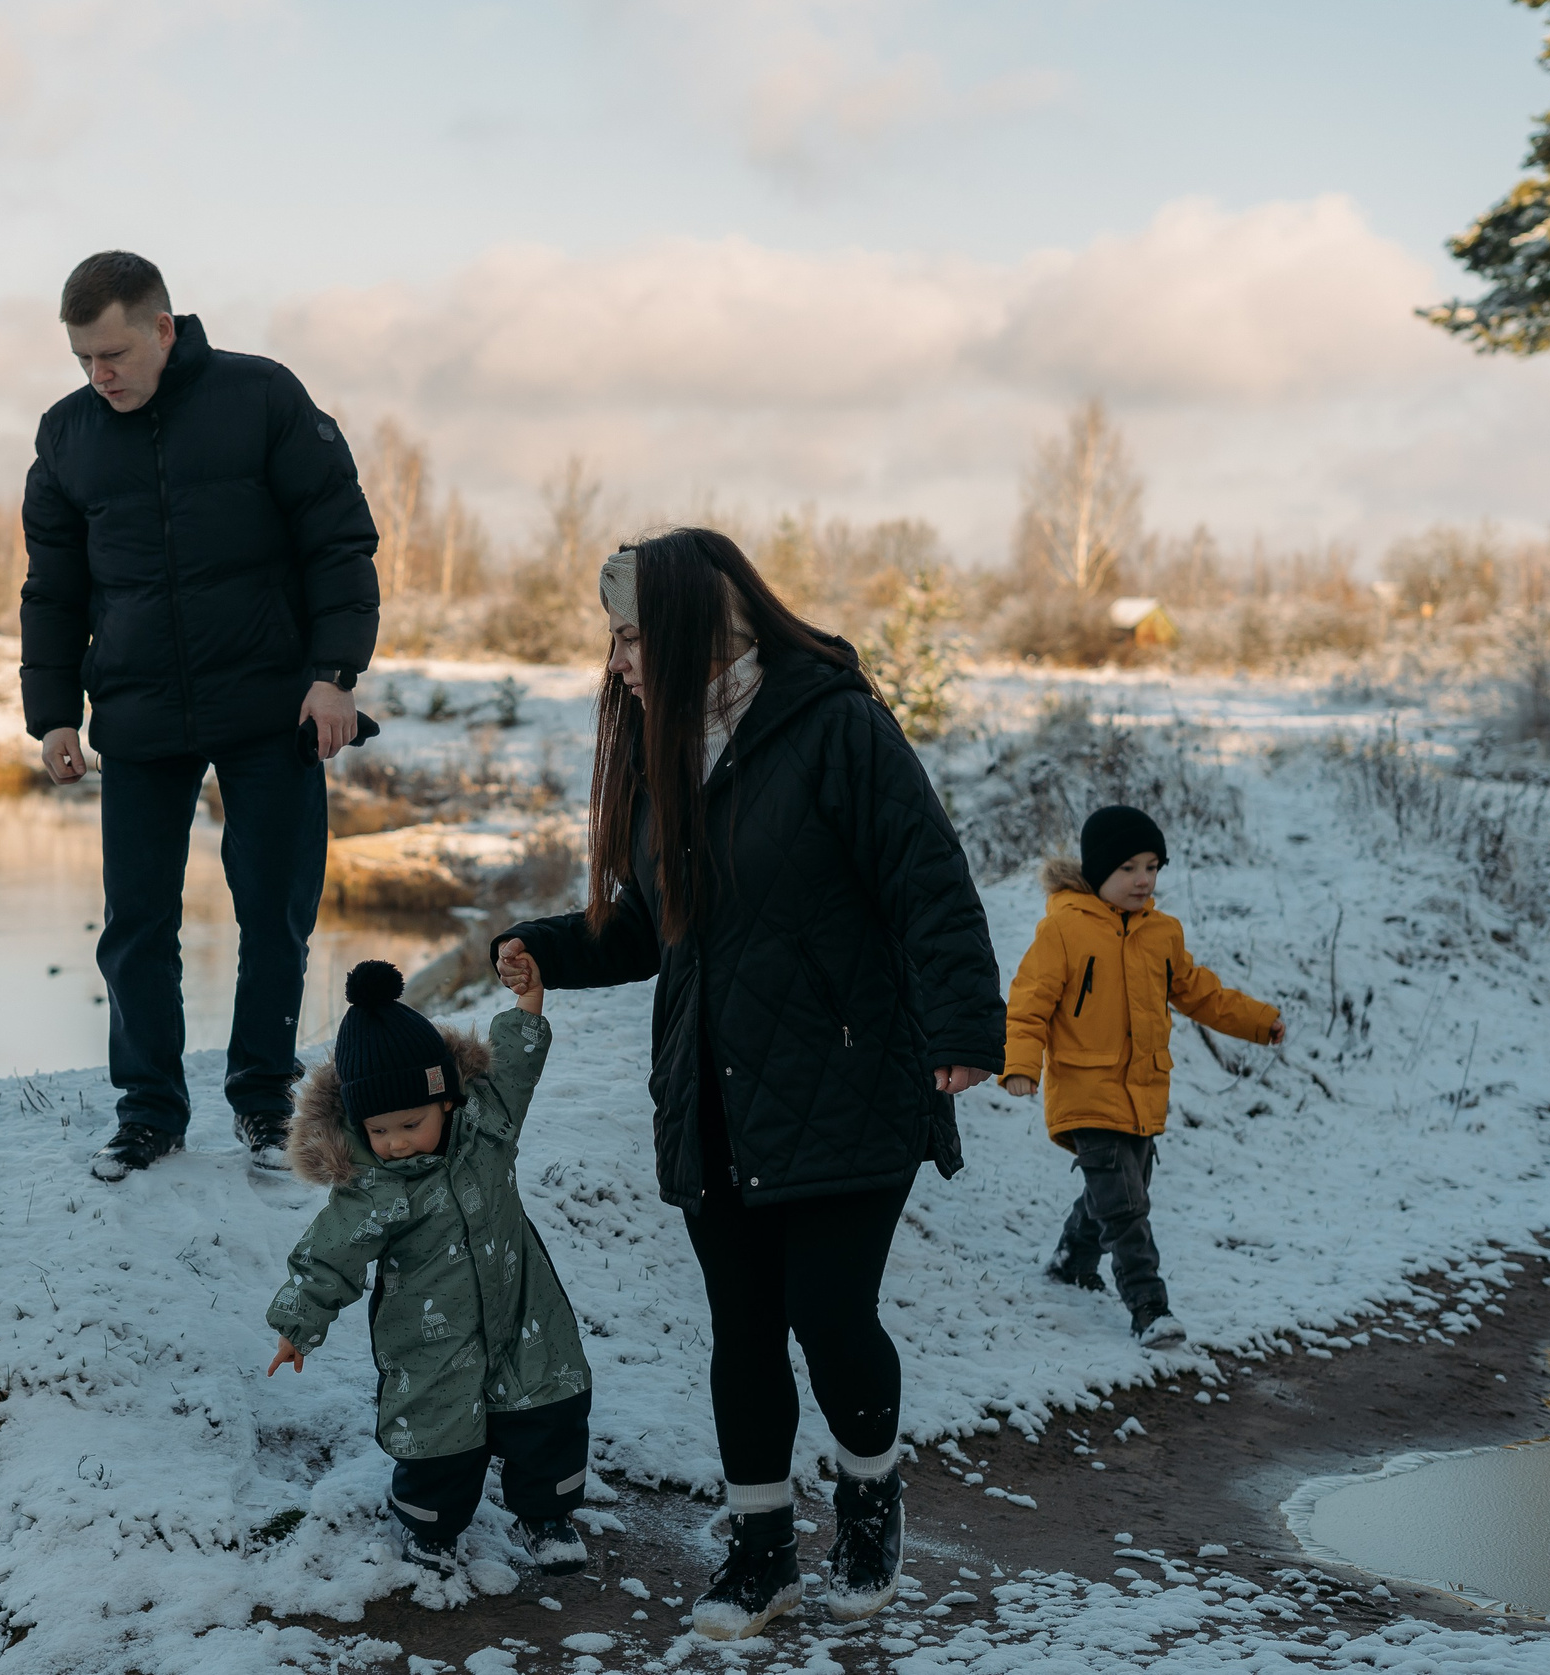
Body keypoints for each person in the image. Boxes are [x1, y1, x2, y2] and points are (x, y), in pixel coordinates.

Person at [490, 529, 1004, 1640]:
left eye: (630, 635)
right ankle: (761, 1550)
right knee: (742, 1325)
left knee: (828, 1315)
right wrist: (550, 947)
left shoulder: (834, 726)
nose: (617, 661)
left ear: (685, 629)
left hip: (849, 1075)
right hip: (714, 1091)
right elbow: (647, 925)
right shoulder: (665, 749)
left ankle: (868, 1502)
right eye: (613, 639)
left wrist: (963, 1026)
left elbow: (927, 880)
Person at [19, 251, 381, 1182]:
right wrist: (54, 713)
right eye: (83, 360)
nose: (100, 375)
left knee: (274, 913)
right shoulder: (67, 436)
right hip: (138, 714)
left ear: (164, 328)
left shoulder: (260, 397)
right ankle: (148, 1111)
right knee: (135, 923)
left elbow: (337, 538)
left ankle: (265, 1103)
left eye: (113, 354)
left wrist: (334, 674)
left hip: (270, 706)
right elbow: (52, 592)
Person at [264, 959, 592, 1581]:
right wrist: (296, 1324)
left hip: (524, 1308)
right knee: (439, 1434)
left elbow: (516, 1069)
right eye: (378, 1130)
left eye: (410, 1124)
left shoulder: (489, 1126)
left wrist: (529, 1005)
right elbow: (329, 1256)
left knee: (547, 1406)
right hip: (429, 1332)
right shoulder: (371, 1187)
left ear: (445, 1097)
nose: (395, 1142)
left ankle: (546, 1515)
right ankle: (431, 1527)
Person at [1000, 805, 1286, 1350]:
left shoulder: (1162, 934)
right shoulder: (1063, 930)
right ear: (1098, 870)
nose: (1143, 879)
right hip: (1086, 1091)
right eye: (1129, 867)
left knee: (1115, 1195)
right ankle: (1149, 1309)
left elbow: (1201, 993)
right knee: (1128, 1209)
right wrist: (1020, 1066)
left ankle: (1071, 1261)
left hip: (1143, 1093)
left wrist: (1258, 1020)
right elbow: (1029, 1003)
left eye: (1152, 867)